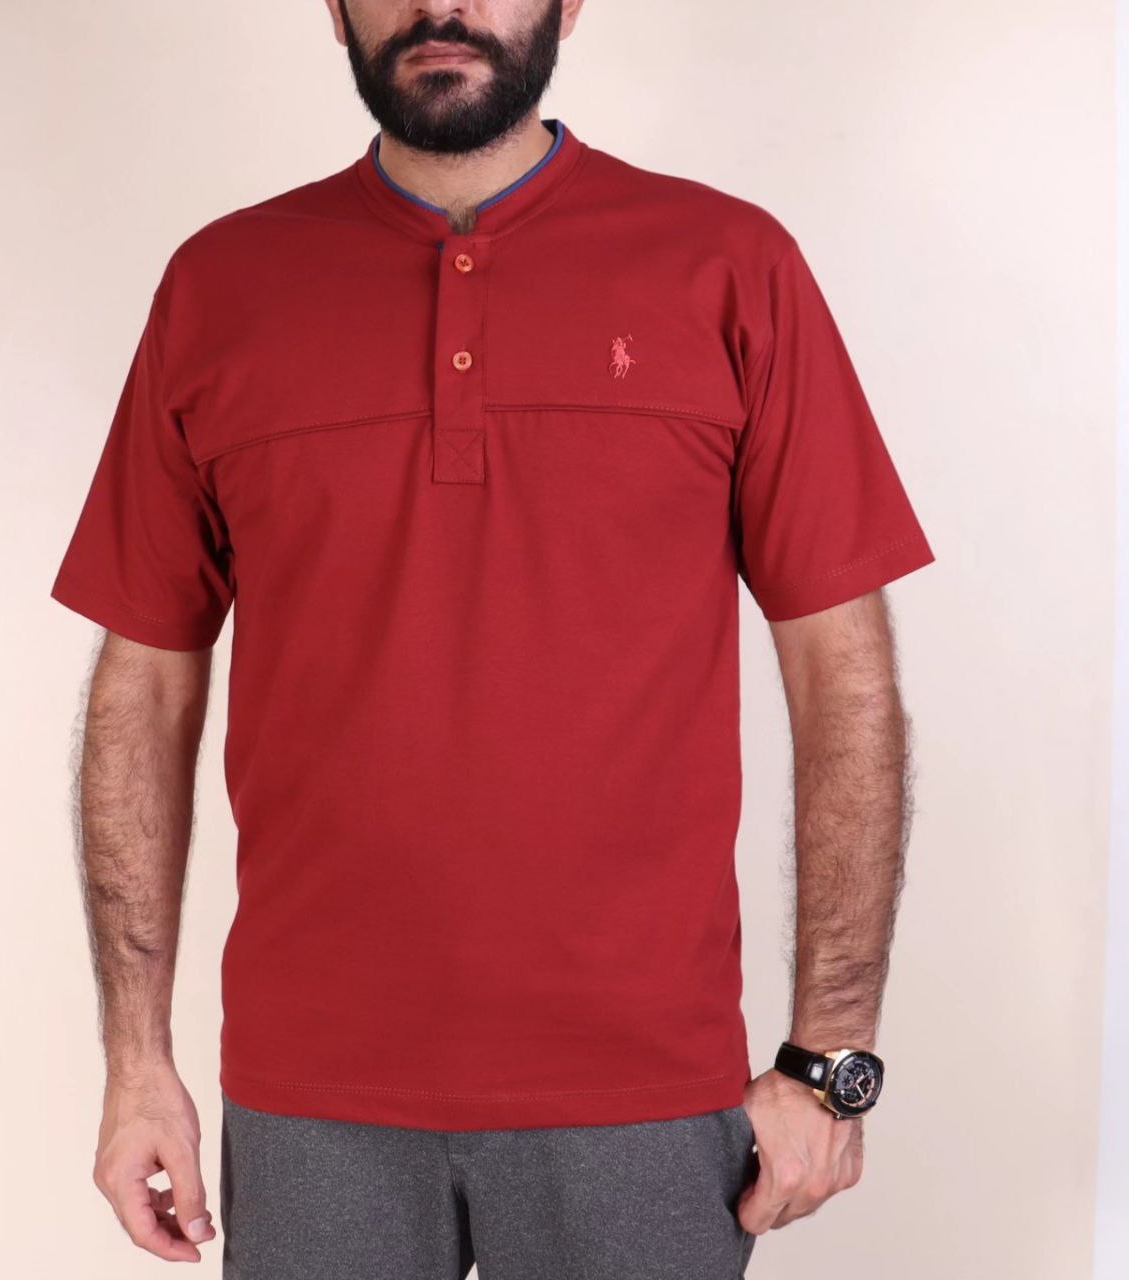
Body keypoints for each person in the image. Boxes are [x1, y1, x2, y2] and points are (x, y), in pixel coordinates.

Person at [49, 2, 936, 1275]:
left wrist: (830, 1050)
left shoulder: (729, 266)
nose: (443, 4)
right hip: (310, 1095)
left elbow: (839, 670)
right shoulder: (220, 286)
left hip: (643, 1090)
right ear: (334, 9)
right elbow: (143, 681)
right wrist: (136, 1060)